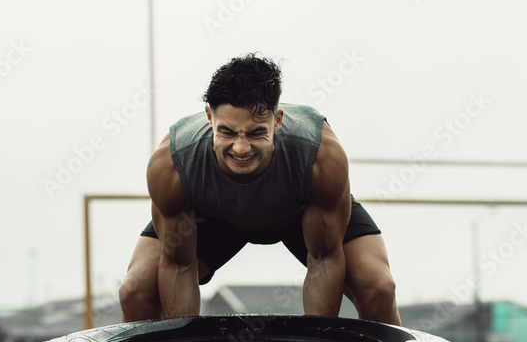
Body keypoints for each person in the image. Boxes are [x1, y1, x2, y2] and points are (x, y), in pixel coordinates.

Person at [119, 53, 400, 325]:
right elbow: (178, 266)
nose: (241, 148)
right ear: (209, 117)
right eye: (227, 132)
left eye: (256, 133)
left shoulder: (320, 156)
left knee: (378, 287)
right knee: (135, 291)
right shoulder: (173, 164)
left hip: (298, 212)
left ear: (277, 120)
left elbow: (324, 259)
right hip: (212, 217)